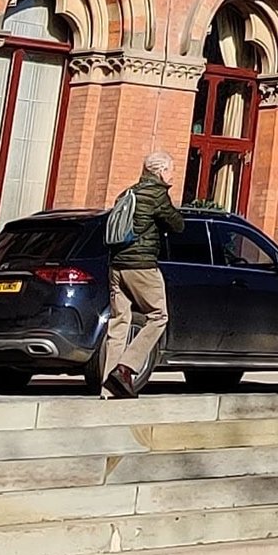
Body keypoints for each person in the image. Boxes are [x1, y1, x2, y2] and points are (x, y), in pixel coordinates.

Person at [98, 154, 186, 397]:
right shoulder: (157, 194)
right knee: (158, 316)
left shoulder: (128, 193)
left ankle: (108, 387)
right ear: (160, 171)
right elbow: (178, 224)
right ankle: (126, 367)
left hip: (116, 266)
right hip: (142, 266)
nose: (173, 175)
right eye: (171, 170)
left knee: (118, 323)